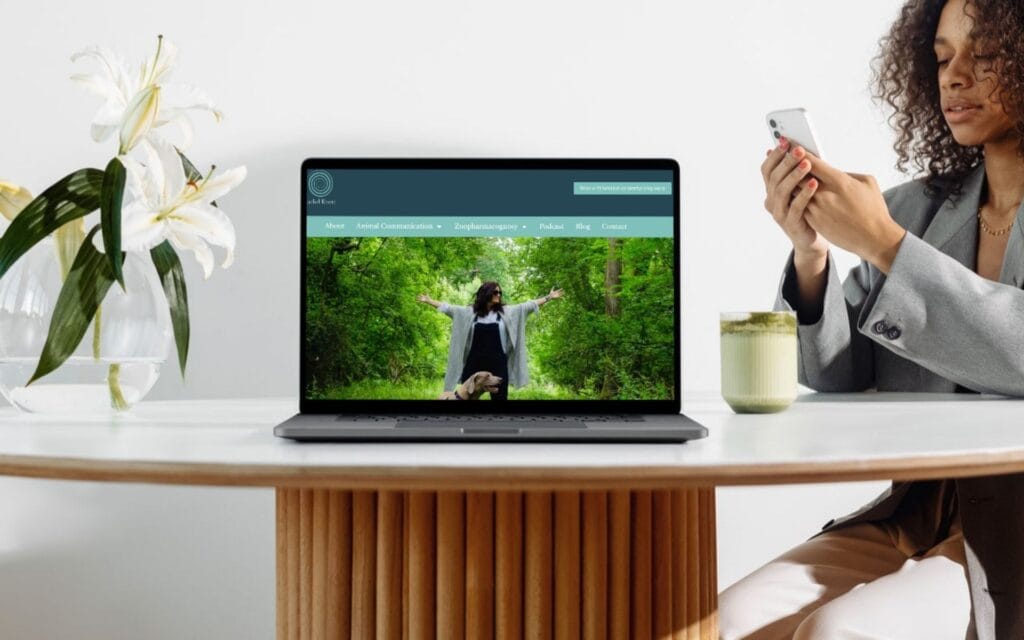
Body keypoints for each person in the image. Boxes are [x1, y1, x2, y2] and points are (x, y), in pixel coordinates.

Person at [720, 0, 1024, 638]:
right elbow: (830, 373)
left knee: (834, 632)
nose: (954, 76)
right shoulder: (916, 207)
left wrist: (885, 244)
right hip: (916, 513)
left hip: (1013, 529)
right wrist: (812, 253)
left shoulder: (892, 228)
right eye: (942, 58)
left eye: (985, 54)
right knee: (724, 621)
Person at [416, 282, 563, 400]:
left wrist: (549, 297)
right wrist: (429, 301)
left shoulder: (508, 312)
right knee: (467, 397)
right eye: (495, 292)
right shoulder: (468, 312)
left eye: (500, 292)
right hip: (474, 363)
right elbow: (448, 308)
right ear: (485, 294)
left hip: (498, 362)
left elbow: (528, 305)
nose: (498, 295)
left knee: (500, 398)